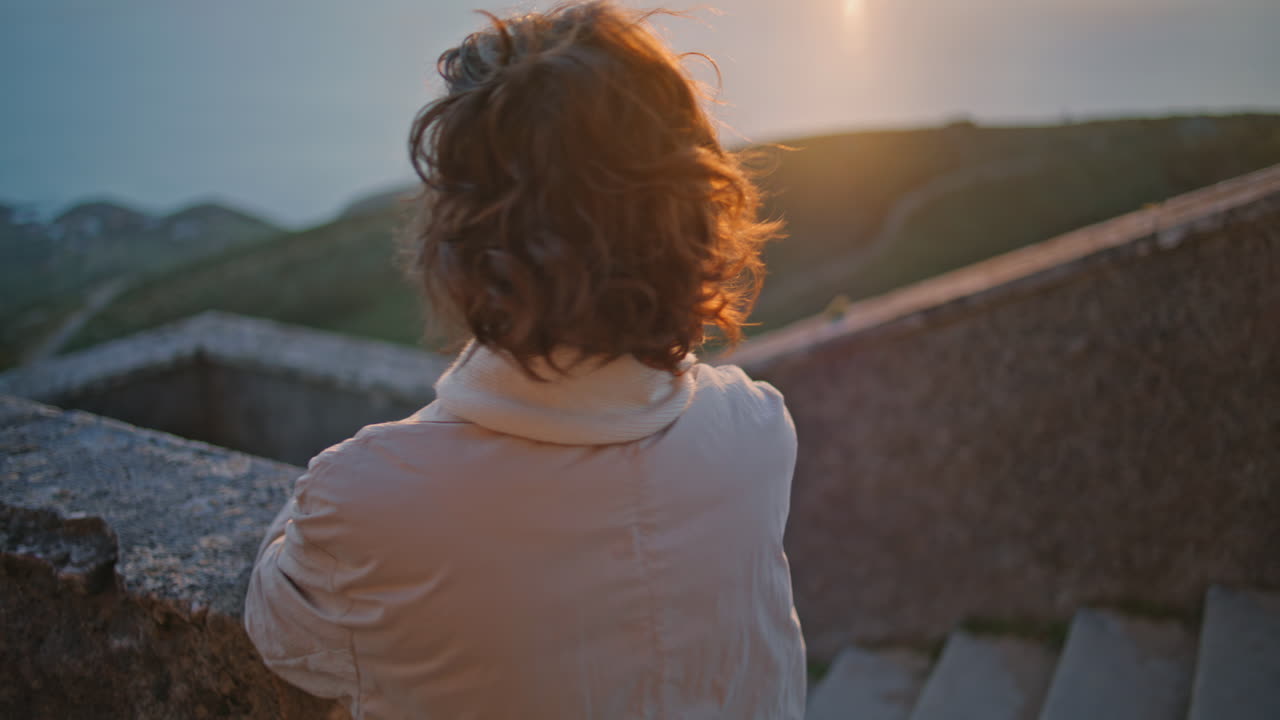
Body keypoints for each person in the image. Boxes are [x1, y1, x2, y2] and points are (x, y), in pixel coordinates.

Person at [243, 2, 806, 717]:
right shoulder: (756, 430)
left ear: (464, 247)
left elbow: (277, 628)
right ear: (693, 216)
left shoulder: (367, 501)